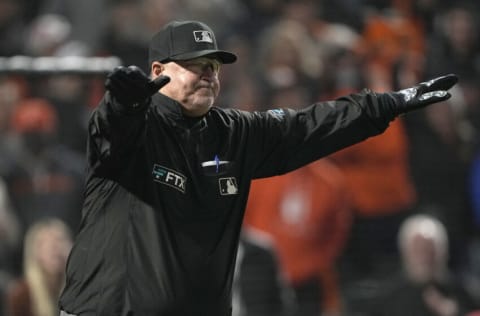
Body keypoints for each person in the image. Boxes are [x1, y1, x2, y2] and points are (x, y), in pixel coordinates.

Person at [58, 20, 458, 316]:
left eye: (213, 65)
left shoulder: (235, 133)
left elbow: (310, 124)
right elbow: (112, 130)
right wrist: (124, 104)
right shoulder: (136, 130)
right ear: (158, 72)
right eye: (193, 64)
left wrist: (385, 104)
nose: (208, 74)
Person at [371, 214, 477, 316]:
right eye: (418, 250)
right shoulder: (389, 298)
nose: (425, 257)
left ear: (443, 253)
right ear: (405, 252)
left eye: (430, 250)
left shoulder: (463, 290)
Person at [6, 218, 73, 316]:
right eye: (48, 244)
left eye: (60, 241)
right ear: (34, 253)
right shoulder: (22, 296)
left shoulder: (81, 289)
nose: (56, 249)